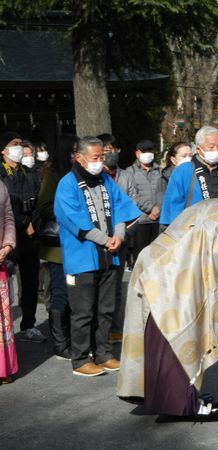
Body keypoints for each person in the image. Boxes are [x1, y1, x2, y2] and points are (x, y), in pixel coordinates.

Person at [118, 172, 218, 420]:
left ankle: (160, 396)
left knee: (157, 335)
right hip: (173, 277)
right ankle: (183, 404)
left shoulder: (217, 203)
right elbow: (210, 269)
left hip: (157, 267)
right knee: (182, 336)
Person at [54, 136, 140, 377]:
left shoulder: (106, 180)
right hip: (82, 257)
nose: (100, 162)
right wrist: (105, 239)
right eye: (95, 158)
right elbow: (73, 219)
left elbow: (124, 208)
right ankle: (80, 359)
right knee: (83, 311)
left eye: (102, 157)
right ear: (79, 158)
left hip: (110, 254)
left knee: (105, 308)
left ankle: (103, 353)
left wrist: (119, 236)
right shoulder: (67, 184)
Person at [160, 126, 218, 355]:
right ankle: (198, 341)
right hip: (195, 243)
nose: (216, 151)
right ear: (198, 148)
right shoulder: (184, 171)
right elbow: (172, 209)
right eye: (211, 147)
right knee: (198, 293)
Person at [37, 134, 79, 360]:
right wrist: (71, 214)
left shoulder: (78, 175)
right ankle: (61, 343)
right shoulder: (52, 174)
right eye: (72, 151)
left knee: (76, 295)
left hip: (79, 244)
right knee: (60, 294)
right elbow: (44, 207)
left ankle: (74, 339)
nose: (75, 155)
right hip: (58, 246)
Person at [0, 132, 45, 343]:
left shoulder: (29, 173)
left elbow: (38, 203)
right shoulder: (1, 174)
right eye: (14, 144)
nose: (19, 148)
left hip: (30, 237)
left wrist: (32, 223)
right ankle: (5, 330)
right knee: (5, 286)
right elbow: (5, 208)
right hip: (8, 238)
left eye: (21, 144)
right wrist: (23, 222)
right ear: (3, 150)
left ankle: (29, 324)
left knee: (30, 282)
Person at [98, 133, 138, 344]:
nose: (111, 153)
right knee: (100, 286)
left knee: (116, 285)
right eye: (106, 149)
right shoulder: (94, 177)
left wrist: (122, 235)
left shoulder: (125, 176)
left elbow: (133, 206)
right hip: (98, 240)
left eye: (114, 149)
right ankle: (99, 330)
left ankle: (114, 327)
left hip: (121, 238)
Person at [126, 139, 165, 264]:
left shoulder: (159, 170)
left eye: (150, 151)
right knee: (140, 256)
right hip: (140, 220)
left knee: (156, 256)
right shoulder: (130, 172)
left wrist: (158, 208)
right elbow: (132, 195)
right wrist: (150, 208)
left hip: (158, 219)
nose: (148, 154)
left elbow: (163, 192)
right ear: (137, 153)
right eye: (144, 151)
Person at [0, 179, 17, 383]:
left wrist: (7, 245)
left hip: (1, 258)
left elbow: (8, 217)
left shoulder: (1, 185)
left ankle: (3, 368)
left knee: (2, 317)